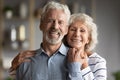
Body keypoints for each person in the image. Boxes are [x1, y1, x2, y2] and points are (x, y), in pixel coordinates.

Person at [10, 13, 107, 80]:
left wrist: (84, 66)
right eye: (73, 29)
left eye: (82, 31)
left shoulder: (98, 61)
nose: (77, 34)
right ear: (66, 33)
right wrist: (14, 66)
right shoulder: (55, 55)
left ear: (88, 38)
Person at [11, 1, 84, 80]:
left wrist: (74, 68)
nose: (55, 27)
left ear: (66, 29)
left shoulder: (79, 59)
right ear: (41, 25)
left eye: (60, 22)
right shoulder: (24, 61)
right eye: (50, 21)